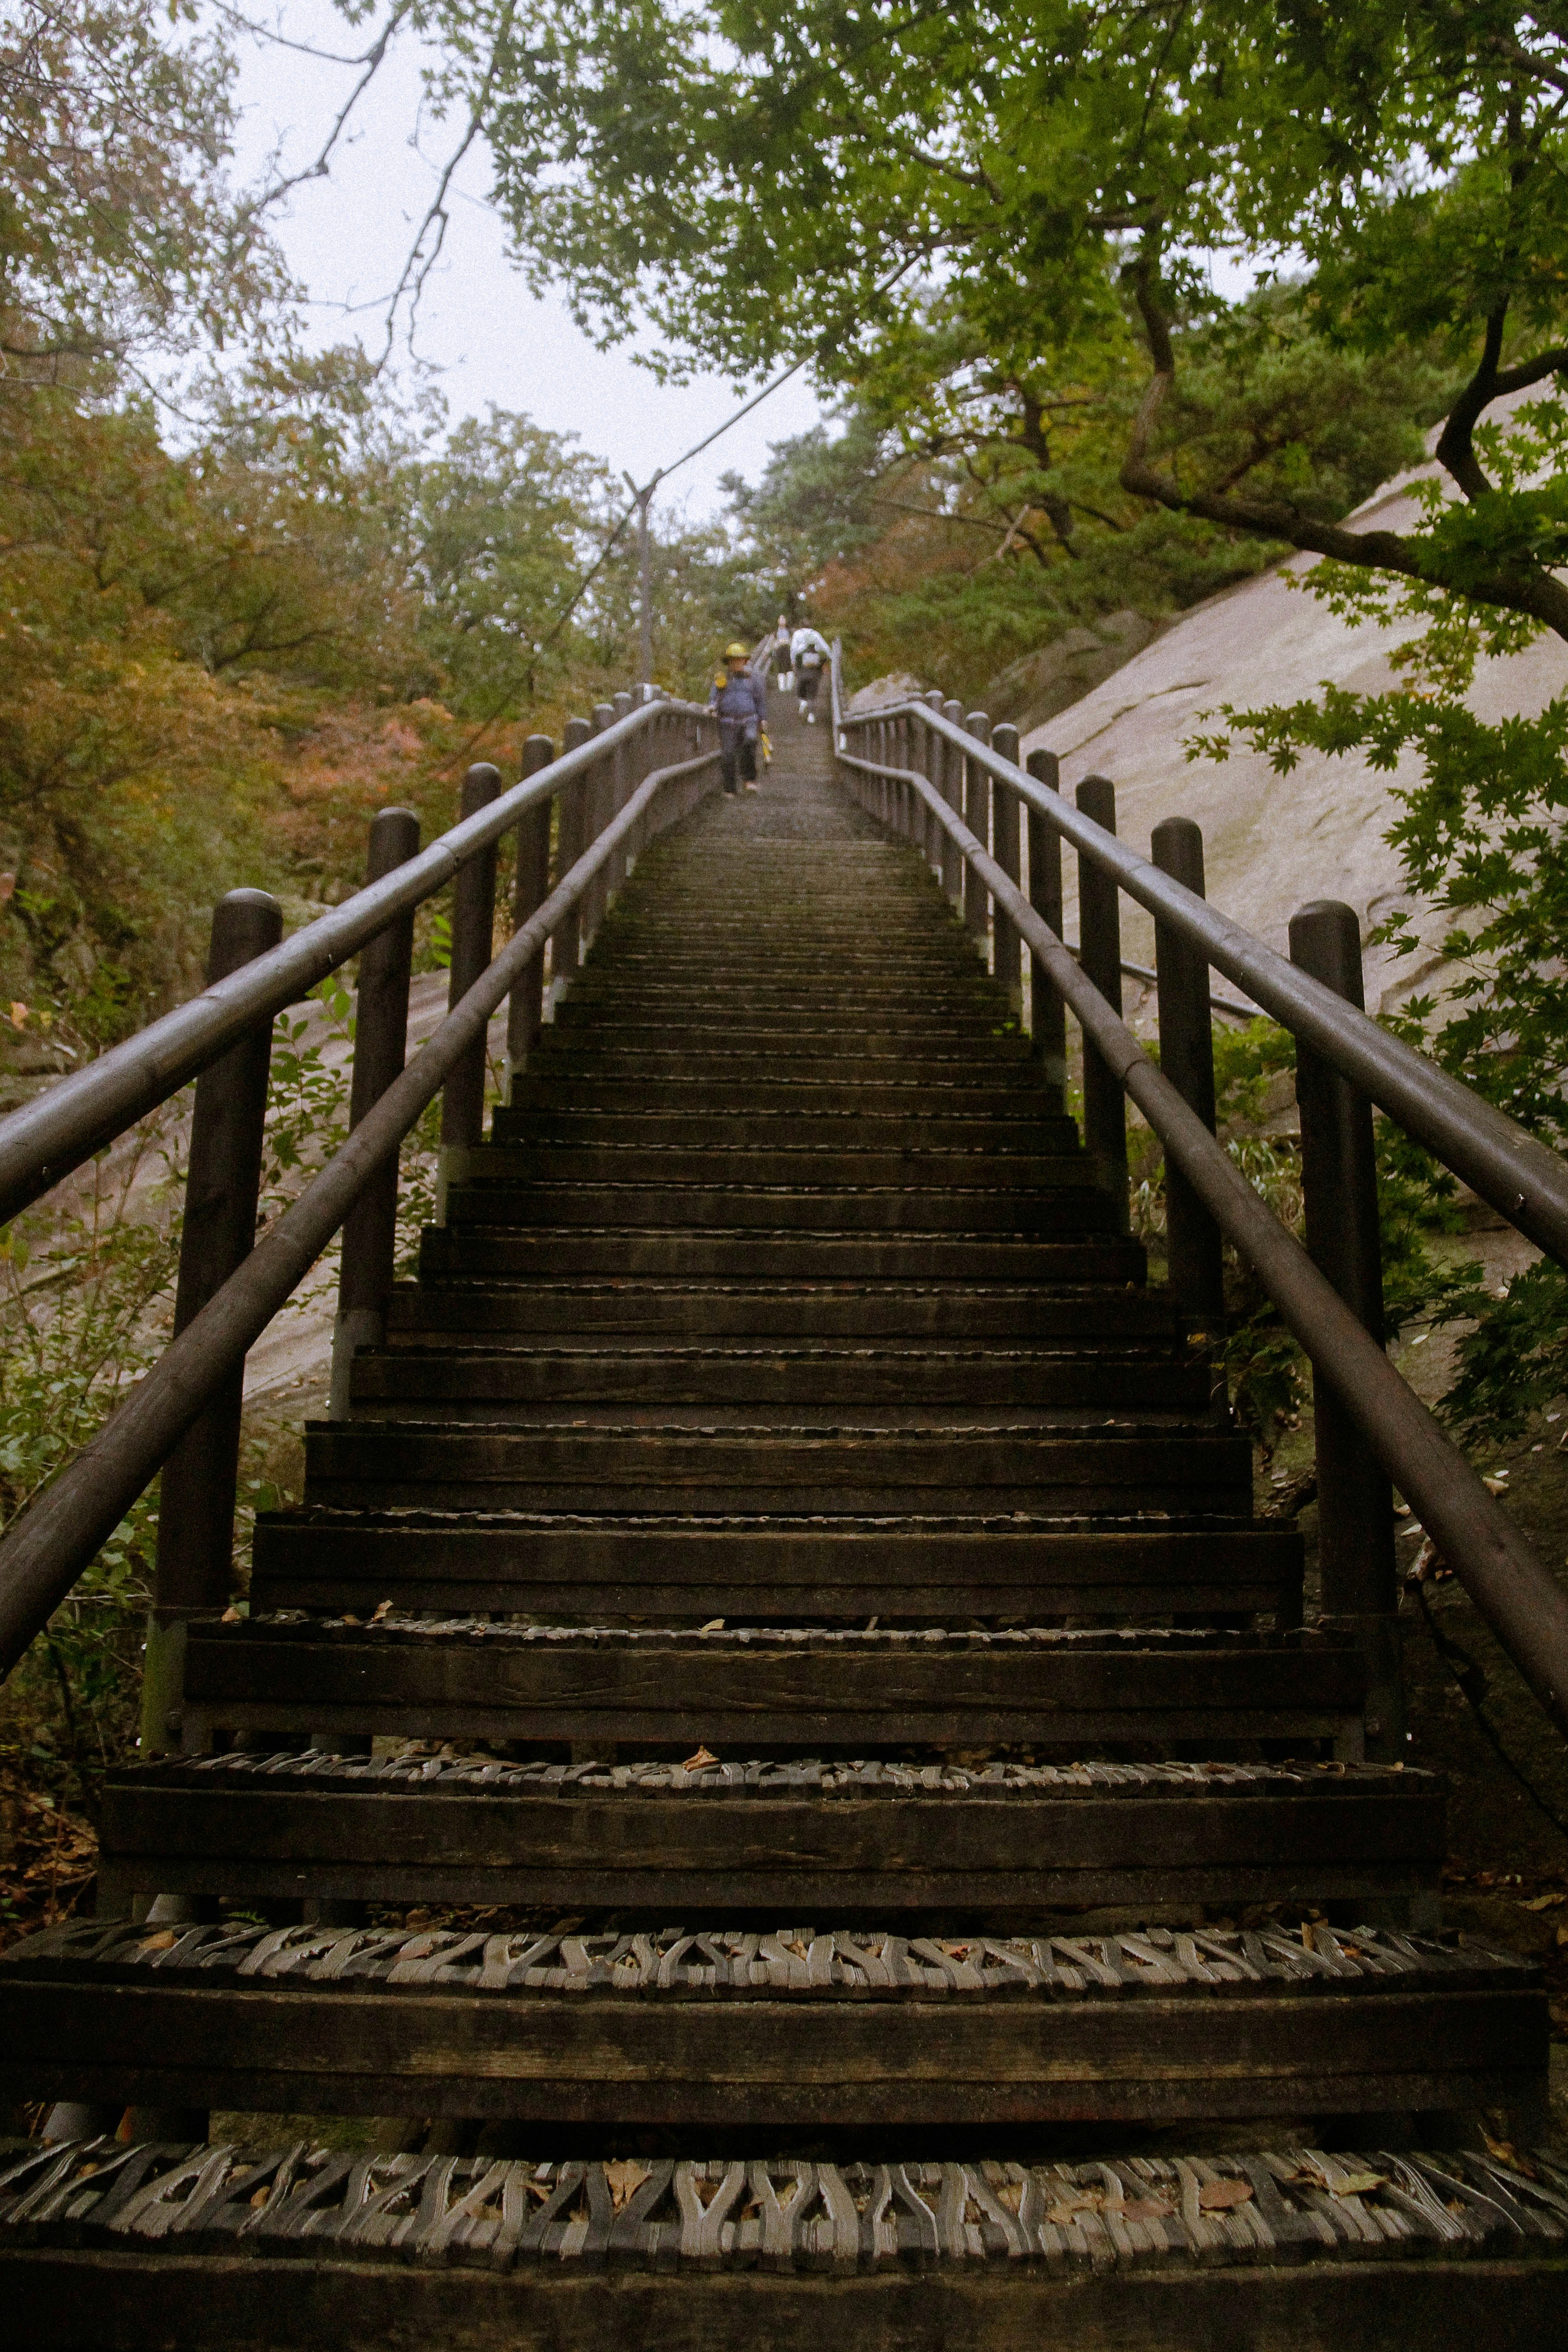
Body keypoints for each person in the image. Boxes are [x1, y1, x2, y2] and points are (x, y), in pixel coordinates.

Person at [708, 641, 767, 792]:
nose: (737, 663)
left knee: (750, 743)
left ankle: (750, 780)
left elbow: (759, 700)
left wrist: (763, 718)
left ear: (745, 661)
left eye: (740, 660)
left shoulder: (753, 679)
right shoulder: (722, 679)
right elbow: (714, 698)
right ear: (728, 662)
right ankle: (730, 788)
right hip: (727, 721)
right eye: (733, 660)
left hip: (749, 719)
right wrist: (712, 707)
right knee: (728, 754)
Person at [790, 623, 830, 722]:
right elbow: (825, 647)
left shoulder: (797, 634)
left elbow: (793, 649)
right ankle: (811, 715)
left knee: (801, 688)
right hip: (814, 670)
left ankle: (803, 703)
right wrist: (831, 657)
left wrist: (793, 662)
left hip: (802, 668)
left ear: (801, 626)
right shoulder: (815, 634)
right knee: (812, 693)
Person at [773, 614, 793, 692]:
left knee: (789, 667)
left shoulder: (789, 631)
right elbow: (774, 642)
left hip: (788, 649)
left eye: (783, 619)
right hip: (779, 649)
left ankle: (789, 686)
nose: (782, 621)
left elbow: (792, 640)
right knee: (780, 667)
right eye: (780, 619)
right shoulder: (776, 632)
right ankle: (782, 687)